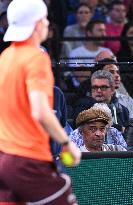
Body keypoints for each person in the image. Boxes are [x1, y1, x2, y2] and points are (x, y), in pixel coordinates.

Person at [0, 0, 81, 204]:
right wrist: (66, 143)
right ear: (37, 25)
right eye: (44, 19)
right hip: (28, 159)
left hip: (4, 158)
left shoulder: (6, 57)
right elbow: (41, 111)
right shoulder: (36, 57)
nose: (47, 23)